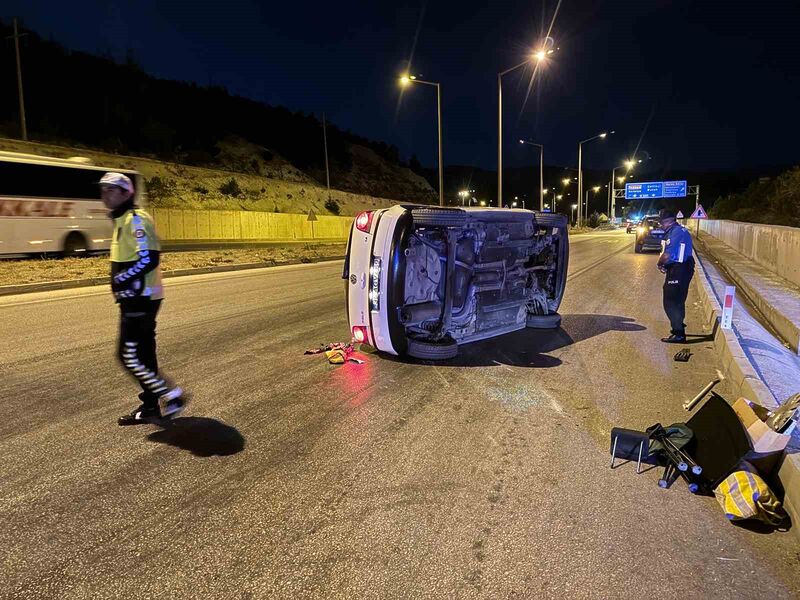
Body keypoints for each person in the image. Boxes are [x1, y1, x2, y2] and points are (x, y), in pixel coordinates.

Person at [99, 172, 187, 425]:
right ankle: (151, 406)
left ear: (127, 193)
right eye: (103, 189)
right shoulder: (121, 220)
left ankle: (171, 395)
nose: (105, 194)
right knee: (144, 354)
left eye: (111, 189)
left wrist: (121, 280)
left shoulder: (136, 220)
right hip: (135, 298)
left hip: (141, 298)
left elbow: (149, 258)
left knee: (129, 356)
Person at [656, 208, 695, 343]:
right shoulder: (681, 230)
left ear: (668, 221)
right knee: (678, 301)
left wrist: (660, 264)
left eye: (662, 222)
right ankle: (679, 327)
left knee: (670, 302)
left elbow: (667, 254)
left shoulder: (675, 232)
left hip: (679, 269)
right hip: (684, 267)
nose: (661, 225)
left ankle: (678, 333)